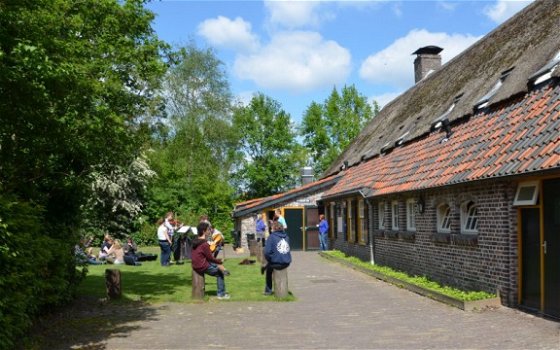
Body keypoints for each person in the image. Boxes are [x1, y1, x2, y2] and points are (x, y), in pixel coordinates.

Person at [191, 221, 231, 300]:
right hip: (201, 266)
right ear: (203, 231)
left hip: (196, 264)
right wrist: (220, 261)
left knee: (216, 265)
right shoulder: (204, 244)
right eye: (208, 230)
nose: (209, 231)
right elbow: (210, 258)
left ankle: (223, 269)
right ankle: (221, 295)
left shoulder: (195, 241)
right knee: (220, 273)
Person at [262, 220, 292, 296]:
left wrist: (270, 259)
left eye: (271, 227)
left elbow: (267, 252)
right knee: (269, 266)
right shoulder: (287, 237)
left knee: (268, 271)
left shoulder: (271, 237)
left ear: (274, 228)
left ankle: (268, 291)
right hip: (286, 262)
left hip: (276, 263)